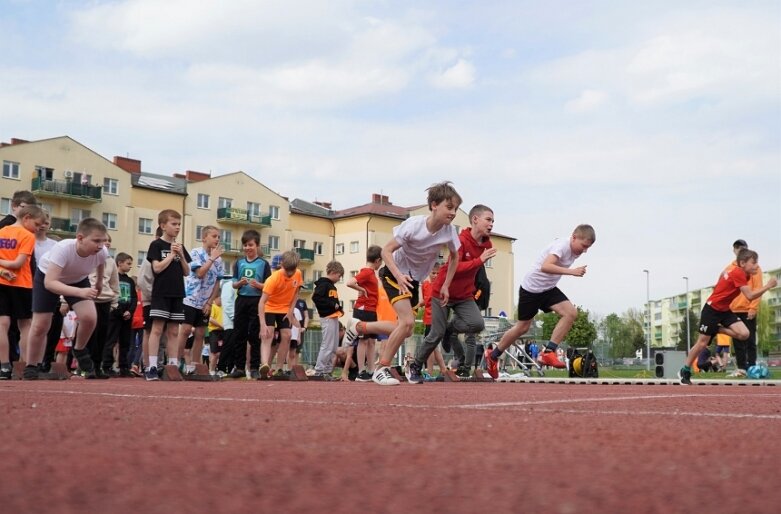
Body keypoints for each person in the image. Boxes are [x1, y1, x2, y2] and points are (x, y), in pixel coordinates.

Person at [343, 181, 462, 386]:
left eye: (456, 209)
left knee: (405, 328)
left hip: (413, 279)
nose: (453, 213)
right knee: (407, 322)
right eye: (449, 207)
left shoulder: (448, 232)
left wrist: (445, 285)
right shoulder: (414, 225)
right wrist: (398, 276)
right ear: (434, 205)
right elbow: (385, 251)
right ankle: (381, 369)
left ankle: (360, 327)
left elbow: (455, 257)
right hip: (393, 272)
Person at [483, 224, 596, 379]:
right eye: (583, 246)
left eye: (587, 248)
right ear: (574, 237)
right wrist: (572, 272)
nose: (584, 251)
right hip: (531, 290)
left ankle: (549, 352)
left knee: (570, 313)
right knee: (522, 328)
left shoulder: (574, 250)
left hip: (548, 289)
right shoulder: (562, 246)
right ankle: (493, 355)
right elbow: (545, 266)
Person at [407, 204, 496, 383]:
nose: (491, 224)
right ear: (475, 220)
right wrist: (479, 261)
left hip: (463, 295)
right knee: (435, 333)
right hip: (442, 290)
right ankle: (415, 365)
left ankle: (451, 328)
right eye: (488, 220)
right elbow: (455, 267)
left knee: (477, 324)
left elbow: (474, 268)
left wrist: (479, 261)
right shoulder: (460, 240)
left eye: (493, 221)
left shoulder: (487, 244)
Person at [25, 218, 109, 379]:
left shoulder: (101, 251)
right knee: (41, 325)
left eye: (103, 241)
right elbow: (50, 283)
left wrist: (98, 281)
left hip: (77, 279)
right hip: (48, 277)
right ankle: (31, 366)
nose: (100, 245)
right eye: (96, 241)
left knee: (90, 317)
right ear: (80, 238)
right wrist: (80, 293)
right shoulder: (63, 249)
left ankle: (79, 349)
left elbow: (100, 263)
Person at [679, 248, 777, 385]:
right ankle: (685, 370)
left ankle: (717, 329)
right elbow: (749, 296)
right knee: (702, 343)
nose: (757, 266)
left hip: (725, 311)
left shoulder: (744, 274)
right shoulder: (739, 273)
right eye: (754, 263)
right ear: (742, 263)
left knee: (744, 334)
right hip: (711, 310)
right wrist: (768, 286)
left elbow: (725, 277)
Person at [0, 204, 46, 379]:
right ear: (26, 218)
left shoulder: (2, 231)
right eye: (36, 224)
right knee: (25, 325)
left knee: (2, 324)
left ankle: (4, 367)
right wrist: (5, 264)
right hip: (21, 283)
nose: (37, 229)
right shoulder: (27, 235)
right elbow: (18, 264)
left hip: (2, 281)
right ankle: (26, 364)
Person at [145, 209, 191, 381]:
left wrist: (181, 255)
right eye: (174, 224)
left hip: (177, 293)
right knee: (157, 329)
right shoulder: (156, 245)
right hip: (161, 293)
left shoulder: (181, 247)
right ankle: (151, 366)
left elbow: (186, 272)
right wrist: (172, 254)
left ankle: (172, 366)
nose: (177, 227)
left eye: (179, 224)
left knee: (173, 331)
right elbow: (156, 268)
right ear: (163, 226)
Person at [177, 225, 224, 375]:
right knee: (185, 331)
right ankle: (175, 362)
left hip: (205, 302)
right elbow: (200, 273)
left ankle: (194, 366)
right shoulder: (195, 253)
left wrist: (210, 302)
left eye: (218, 237)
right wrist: (211, 258)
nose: (217, 239)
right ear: (204, 238)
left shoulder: (219, 260)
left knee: (200, 334)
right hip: (190, 299)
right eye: (214, 236)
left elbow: (217, 282)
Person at [227, 229, 270, 379]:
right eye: (245, 245)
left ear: (257, 245)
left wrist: (258, 285)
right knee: (239, 334)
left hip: (256, 302)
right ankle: (239, 367)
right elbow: (233, 283)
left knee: (254, 335)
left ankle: (254, 367)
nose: (247, 248)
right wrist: (240, 283)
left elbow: (268, 286)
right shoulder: (239, 263)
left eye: (250, 245)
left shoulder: (264, 264)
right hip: (241, 300)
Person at [258, 250, 303, 378]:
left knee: (287, 335)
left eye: (292, 270)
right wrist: (262, 324)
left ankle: (278, 369)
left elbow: (296, 293)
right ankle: (264, 365)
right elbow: (261, 302)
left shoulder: (298, 274)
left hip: (284, 309)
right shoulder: (273, 279)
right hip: (269, 307)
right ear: (282, 264)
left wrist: (290, 311)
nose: (290, 274)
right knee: (268, 334)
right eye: (287, 270)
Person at [726, 239, 764, 378]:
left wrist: (753, 307)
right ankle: (741, 369)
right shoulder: (730, 267)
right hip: (733, 309)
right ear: (734, 250)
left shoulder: (754, 268)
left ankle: (753, 367)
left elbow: (758, 287)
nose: (740, 250)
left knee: (750, 340)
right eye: (737, 248)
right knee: (737, 341)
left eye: (743, 248)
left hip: (747, 308)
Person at [346, 245, 383, 382]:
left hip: (372, 310)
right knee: (363, 340)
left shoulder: (372, 273)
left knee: (372, 341)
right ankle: (361, 372)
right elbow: (350, 282)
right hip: (363, 309)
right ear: (378, 260)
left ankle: (371, 371)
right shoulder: (367, 272)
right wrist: (361, 288)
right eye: (382, 261)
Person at [87, 234, 119, 378]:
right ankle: (88, 367)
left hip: (105, 300)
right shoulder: (87, 258)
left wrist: (114, 302)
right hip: (89, 298)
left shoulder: (111, 262)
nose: (107, 243)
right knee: (90, 334)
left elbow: (114, 283)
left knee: (102, 335)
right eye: (103, 240)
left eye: (109, 241)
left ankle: (98, 366)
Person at [102, 252, 137, 377]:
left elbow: (134, 298)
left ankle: (124, 367)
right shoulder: (113, 278)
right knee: (110, 340)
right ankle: (106, 365)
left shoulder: (130, 281)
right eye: (128, 263)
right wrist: (120, 311)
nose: (130, 266)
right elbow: (111, 295)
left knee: (125, 342)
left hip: (127, 316)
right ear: (120, 263)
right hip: (114, 315)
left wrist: (130, 311)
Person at [312, 260, 345, 379]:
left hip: (333, 317)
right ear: (333, 272)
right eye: (339, 275)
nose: (339, 278)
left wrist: (338, 308)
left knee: (334, 345)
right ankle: (319, 370)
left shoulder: (331, 286)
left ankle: (327, 370)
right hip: (327, 317)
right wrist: (333, 305)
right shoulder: (324, 284)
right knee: (328, 344)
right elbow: (316, 298)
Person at [215, 279, 236, 376]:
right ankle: (221, 368)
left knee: (234, 346)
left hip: (238, 322)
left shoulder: (240, 284)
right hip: (231, 322)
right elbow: (227, 303)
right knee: (228, 345)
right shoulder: (228, 284)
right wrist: (234, 317)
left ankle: (231, 368)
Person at [207, 296, 224, 375]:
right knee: (214, 352)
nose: (222, 300)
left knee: (219, 353)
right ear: (216, 298)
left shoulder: (223, 307)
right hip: (214, 332)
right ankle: (211, 370)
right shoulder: (213, 306)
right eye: (221, 298)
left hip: (221, 332)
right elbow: (211, 319)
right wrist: (221, 325)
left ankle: (215, 369)